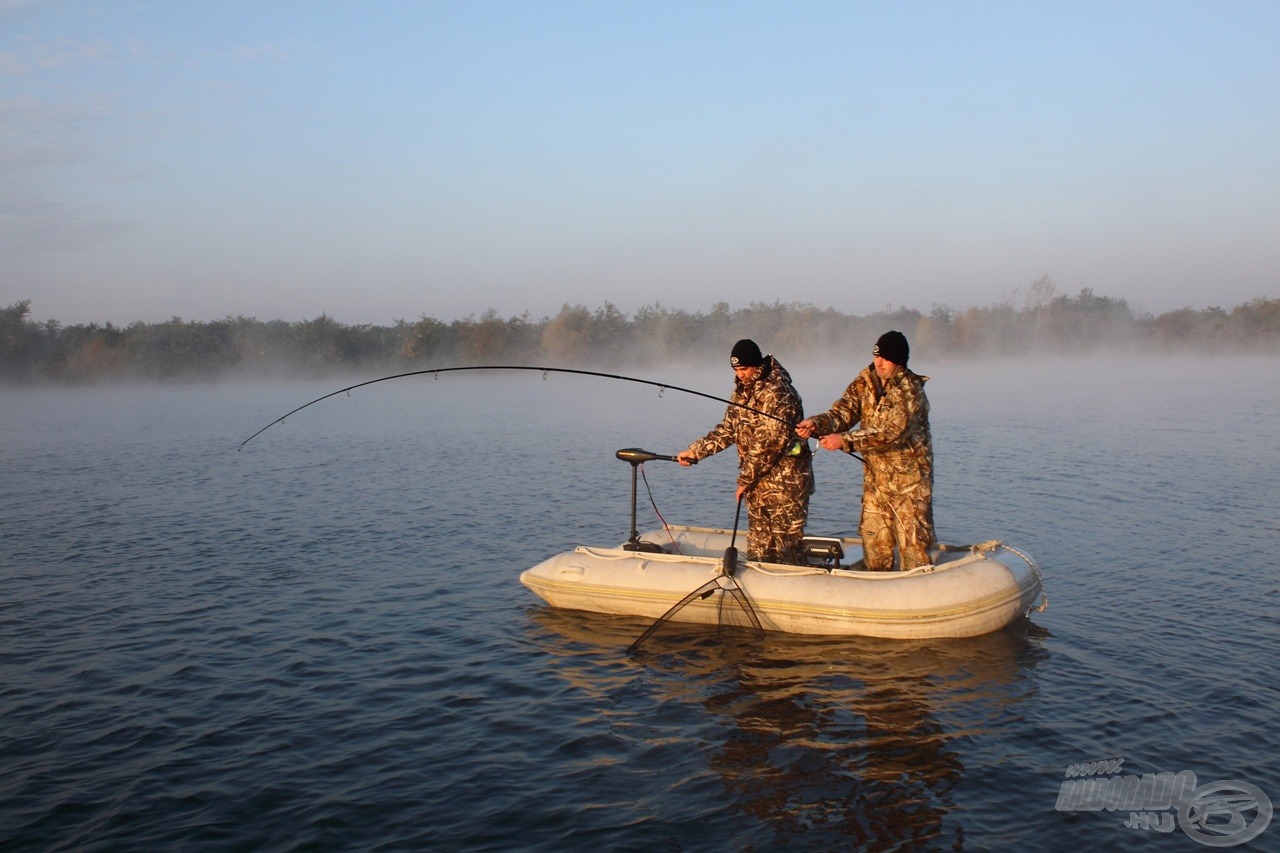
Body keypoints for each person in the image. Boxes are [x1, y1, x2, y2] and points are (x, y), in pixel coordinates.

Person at [795, 330, 934, 571]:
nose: (878, 362)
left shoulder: (911, 391)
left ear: (899, 361)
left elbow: (890, 433)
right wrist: (817, 423)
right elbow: (842, 412)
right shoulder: (865, 381)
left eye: (885, 358)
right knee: (875, 549)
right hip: (875, 484)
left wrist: (844, 441)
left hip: (910, 488)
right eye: (876, 355)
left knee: (914, 551)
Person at [676, 339, 814, 565]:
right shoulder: (741, 393)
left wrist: (745, 479)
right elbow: (728, 430)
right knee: (759, 550)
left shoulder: (778, 392)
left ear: (757, 365)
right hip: (758, 487)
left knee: (788, 550)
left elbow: (769, 442)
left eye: (744, 369)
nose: (740, 375)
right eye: (736, 370)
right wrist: (695, 451)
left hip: (786, 487)